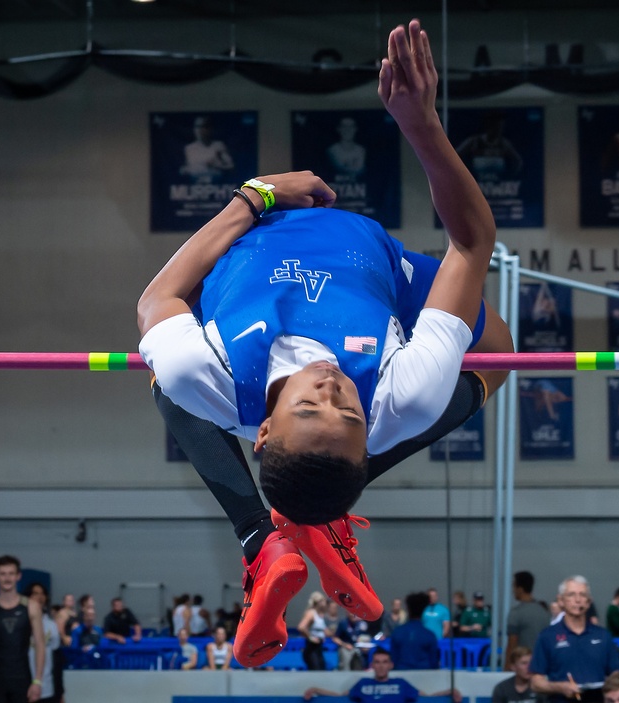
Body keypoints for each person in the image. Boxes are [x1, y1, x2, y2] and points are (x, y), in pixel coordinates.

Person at [138, 18, 512, 669]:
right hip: (378, 269)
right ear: (368, 431)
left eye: (310, 410)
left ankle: (263, 533)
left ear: (261, 431)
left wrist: (254, 196)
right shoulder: (404, 395)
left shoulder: (217, 382)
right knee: (501, 347)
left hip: (255, 239)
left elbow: (156, 300)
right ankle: (317, 518)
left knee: (166, 372)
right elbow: (472, 242)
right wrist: (420, 125)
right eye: (350, 415)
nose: (334, 392)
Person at [530, 576, 619, 703]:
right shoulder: (547, 636)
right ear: (560, 600)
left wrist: (611, 685)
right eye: (571, 595)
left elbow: (616, 673)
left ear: (589, 602)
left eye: (582, 595)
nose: (577, 600)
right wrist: (560, 687)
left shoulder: (603, 635)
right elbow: (536, 683)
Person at [0, 555, 46, 703]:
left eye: (11, 573)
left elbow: (40, 644)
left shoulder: (31, 607)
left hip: (23, 679)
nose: (7, 578)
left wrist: (38, 681)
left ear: (18, 576)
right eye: (3, 574)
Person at [303, 647, 462, 702]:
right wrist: (317, 689)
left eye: (384, 662)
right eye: (377, 662)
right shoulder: (363, 684)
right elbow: (340, 696)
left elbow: (426, 697)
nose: (380, 666)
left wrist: (449, 691)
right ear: (372, 665)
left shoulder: (401, 684)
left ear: (390, 665)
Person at [23, 583, 63, 703]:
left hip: (47, 688)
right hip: (22, 686)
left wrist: (60, 692)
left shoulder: (52, 625)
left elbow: (56, 661)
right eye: (35, 593)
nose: (39, 597)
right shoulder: (21, 623)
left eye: (42, 594)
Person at [506, 571, 550, 665]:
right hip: (541, 664)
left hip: (522, 665)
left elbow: (512, 644)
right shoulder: (544, 612)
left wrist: (507, 667)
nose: (513, 590)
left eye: (514, 586)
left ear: (520, 589)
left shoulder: (516, 612)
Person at [389, 592, 438, 671]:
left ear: (408, 609)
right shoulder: (429, 635)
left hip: (402, 675)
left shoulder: (397, 632)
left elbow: (393, 660)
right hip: (424, 677)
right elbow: (433, 663)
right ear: (424, 611)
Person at [180, 116, 235, 184]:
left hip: (216, 185)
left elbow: (231, 167)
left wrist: (216, 165)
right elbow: (184, 169)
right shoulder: (189, 148)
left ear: (209, 129)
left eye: (203, 127)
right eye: (197, 127)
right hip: (195, 187)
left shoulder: (218, 146)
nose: (200, 130)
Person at [326, 117, 366, 181]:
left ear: (355, 129)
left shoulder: (361, 150)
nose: (348, 130)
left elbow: (360, 170)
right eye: (344, 127)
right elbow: (338, 167)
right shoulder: (332, 150)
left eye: (351, 127)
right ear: (339, 129)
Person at [298, 592, 330, 671]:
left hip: (319, 646)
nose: (324, 603)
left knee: (322, 667)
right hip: (311, 648)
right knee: (316, 669)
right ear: (318, 602)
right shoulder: (311, 613)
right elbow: (301, 627)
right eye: (322, 601)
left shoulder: (320, 614)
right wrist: (310, 637)